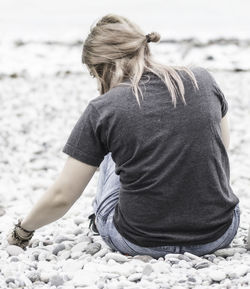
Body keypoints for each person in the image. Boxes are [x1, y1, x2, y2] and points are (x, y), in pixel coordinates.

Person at [7, 14, 240, 258]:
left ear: (101, 68)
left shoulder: (104, 108)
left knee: (110, 149)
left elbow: (62, 196)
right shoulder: (202, 79)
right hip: (218, 233)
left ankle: (103, 218)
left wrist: (22, 232)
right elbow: (220, 152)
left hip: (138, 240)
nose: (97, 84)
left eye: (93, 74)